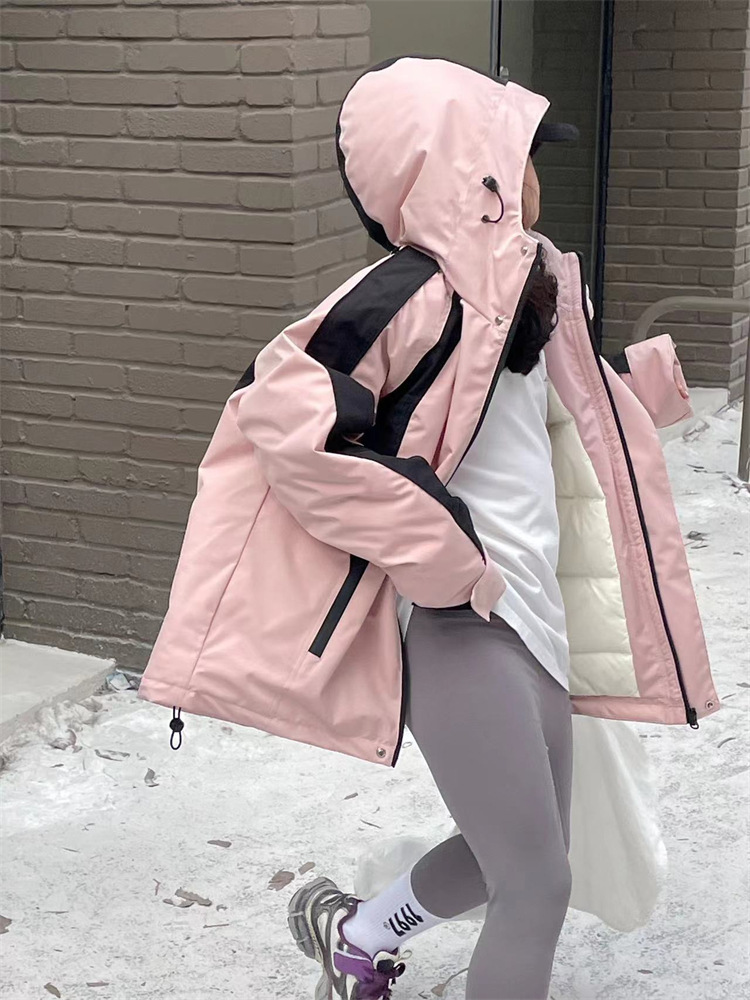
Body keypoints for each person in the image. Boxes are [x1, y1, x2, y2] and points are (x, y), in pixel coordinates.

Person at [138, 56, 719, 1000]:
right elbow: (288, 419)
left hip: (533, 618)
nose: (536, 178)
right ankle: (359, 935)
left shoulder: (533, 289)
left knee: (513, 859)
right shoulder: (411, 293)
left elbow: (553, 421)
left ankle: (359, 934)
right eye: (523, 157)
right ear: (472, 171)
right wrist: (440, 549)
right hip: (460, 627)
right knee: (538, 884)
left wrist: (642, 392)